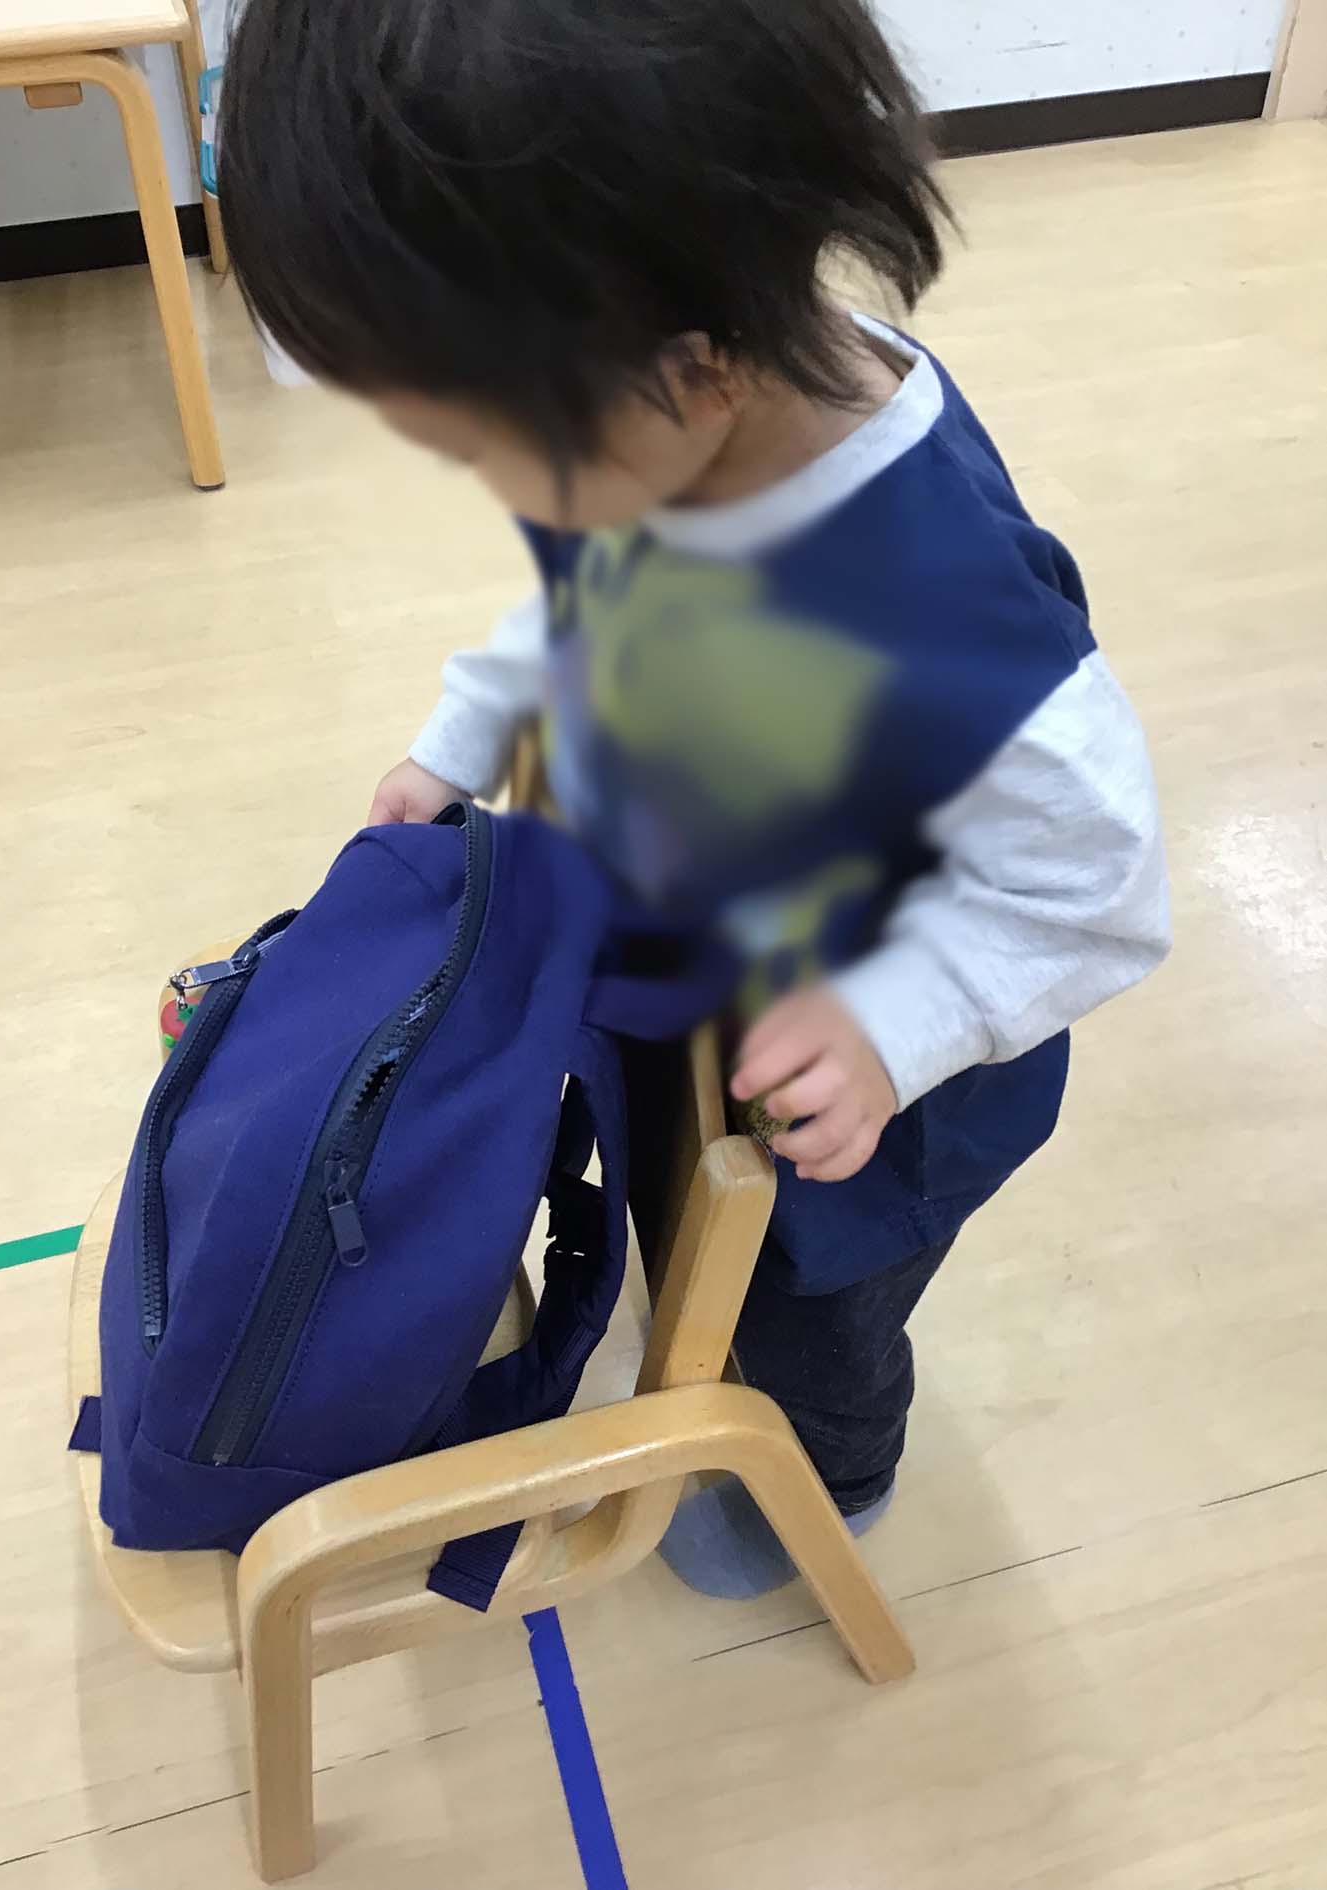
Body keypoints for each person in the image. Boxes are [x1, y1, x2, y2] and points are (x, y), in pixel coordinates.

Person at [217, 0, 1170, 1597]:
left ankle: (832, 1476)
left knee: (808, 1314)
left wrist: (897, 1024)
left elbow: (1100, 894)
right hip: (710, 958)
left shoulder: (946, 617)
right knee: (686, 1214)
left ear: (696, 367)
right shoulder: (684, 426)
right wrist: (465, 731)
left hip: (871, 1096)